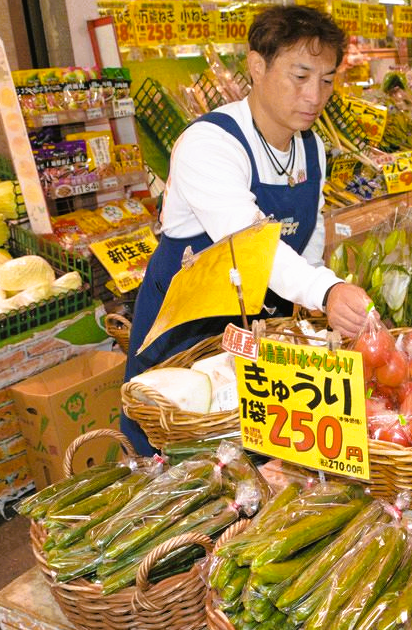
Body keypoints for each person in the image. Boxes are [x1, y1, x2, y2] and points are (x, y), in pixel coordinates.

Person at [122, 5, 372, 455]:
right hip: (188, 333)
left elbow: (307, 242)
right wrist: (327, 291)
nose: (315, 95)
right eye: (299, 76)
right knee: (181, 461)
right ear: (257, 66)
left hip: (256, 327)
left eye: (327, 79)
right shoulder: (209, 143)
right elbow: (251, 244)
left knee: (257, 460)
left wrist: (315, 304)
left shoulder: (311, 147)